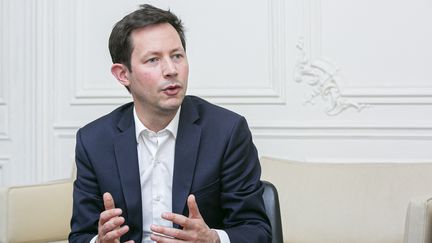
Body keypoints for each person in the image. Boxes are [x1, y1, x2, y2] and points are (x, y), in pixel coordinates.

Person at [69, 4, 271, 243]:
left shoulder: (226, 132)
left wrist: (213, 239)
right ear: (123, 74)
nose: (171, 70)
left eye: (177, 56)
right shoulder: (94, 141)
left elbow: (257, 231)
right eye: (153, 60)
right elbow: (81, 235)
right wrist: (100, 241)